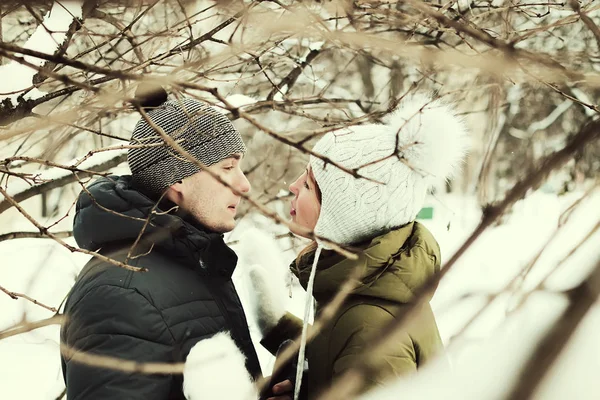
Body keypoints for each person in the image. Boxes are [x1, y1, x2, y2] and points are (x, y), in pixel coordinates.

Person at [243, 93, 469, 399]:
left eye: (309, 185)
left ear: (344, 215)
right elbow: (341, 349)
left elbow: (361, 346)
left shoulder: (370, 324)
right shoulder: (370, 282)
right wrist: (280, 331)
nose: (294, 186)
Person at [60, 85, 279, 399]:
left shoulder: (192, 259)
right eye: (227, 167)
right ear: (176, 178)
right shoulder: (119, 293)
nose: (244, 185)